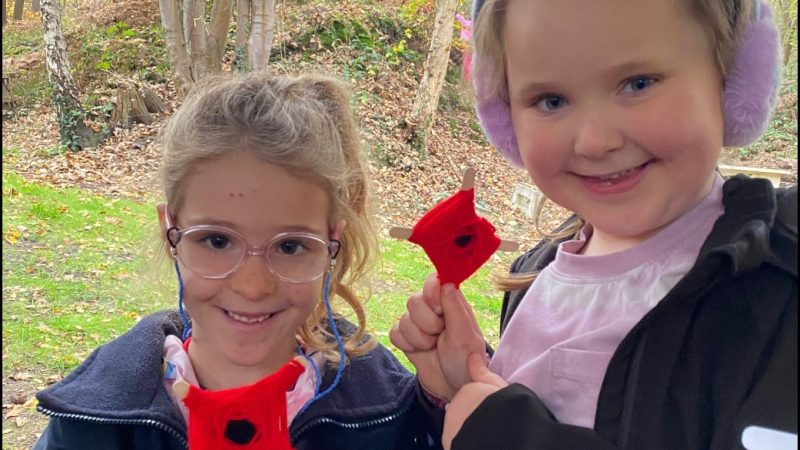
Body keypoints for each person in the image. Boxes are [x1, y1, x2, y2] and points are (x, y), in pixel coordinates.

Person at [390, 0, 797, 448]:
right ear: (504, 121)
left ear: (735, 81)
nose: (595, 141)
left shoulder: (776, 290)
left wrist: (508, 435)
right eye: (551, 100)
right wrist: (460, 385)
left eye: (638, 83)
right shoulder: (537, 273)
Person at [34, 72, 443, 450]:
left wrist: (447, 401)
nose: (253, 285)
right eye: (216, 240)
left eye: (290, 246)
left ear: (331, 242)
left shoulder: (388, 414)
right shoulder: (92, 421)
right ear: (170, 232)